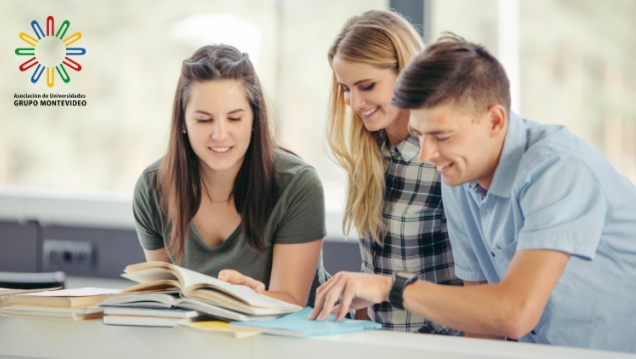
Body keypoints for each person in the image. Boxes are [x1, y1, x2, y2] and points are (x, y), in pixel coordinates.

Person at [310, 33, 636, 353]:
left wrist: (388, 286)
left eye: (442, 136)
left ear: (494, 120)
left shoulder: (558, 168)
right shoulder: (460, 176)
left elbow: (515, 312)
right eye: (420, 135)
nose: (426, 154)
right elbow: (483, 327)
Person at [133, 44, 329, 307]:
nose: (220, 134)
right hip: (208, 340)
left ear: (254, 118)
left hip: (293, 340)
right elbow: (166, 297)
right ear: (182, 121)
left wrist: (249, 296)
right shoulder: (152, 187)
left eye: (234, 118)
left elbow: (291, 303)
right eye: (204, 120)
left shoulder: (297, 185)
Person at [324, 10, 462, 335]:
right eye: (345, 88)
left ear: (407, 72)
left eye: (366, 86)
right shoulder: (370, 156)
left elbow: (479, 287)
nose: (354, 103)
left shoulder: (445, 161)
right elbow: (372, 279)